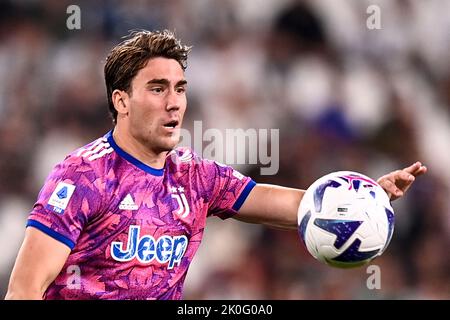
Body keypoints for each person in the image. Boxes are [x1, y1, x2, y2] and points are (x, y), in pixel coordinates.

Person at [5, 30, 427, 300]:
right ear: (121, 101)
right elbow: (25, 288)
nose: (173, 102)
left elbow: (288, 206)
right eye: (156, 88)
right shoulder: (82, 176)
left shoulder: (196, 177)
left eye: (179, 89)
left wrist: (366, 197)